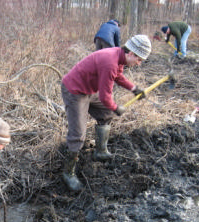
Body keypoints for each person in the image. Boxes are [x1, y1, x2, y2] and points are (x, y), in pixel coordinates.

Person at [61, 35, 151, 191]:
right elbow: (105, 96)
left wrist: (134, 89)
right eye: (139, 59)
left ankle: (101, 152)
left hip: (88, 89)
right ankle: (68, 173)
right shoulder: (109, 61)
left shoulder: (119, 57)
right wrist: (116, 108)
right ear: (131, 53)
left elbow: (118, 76)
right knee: (78, 135)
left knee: (106, 114)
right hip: (74, 90)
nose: (139, 63)